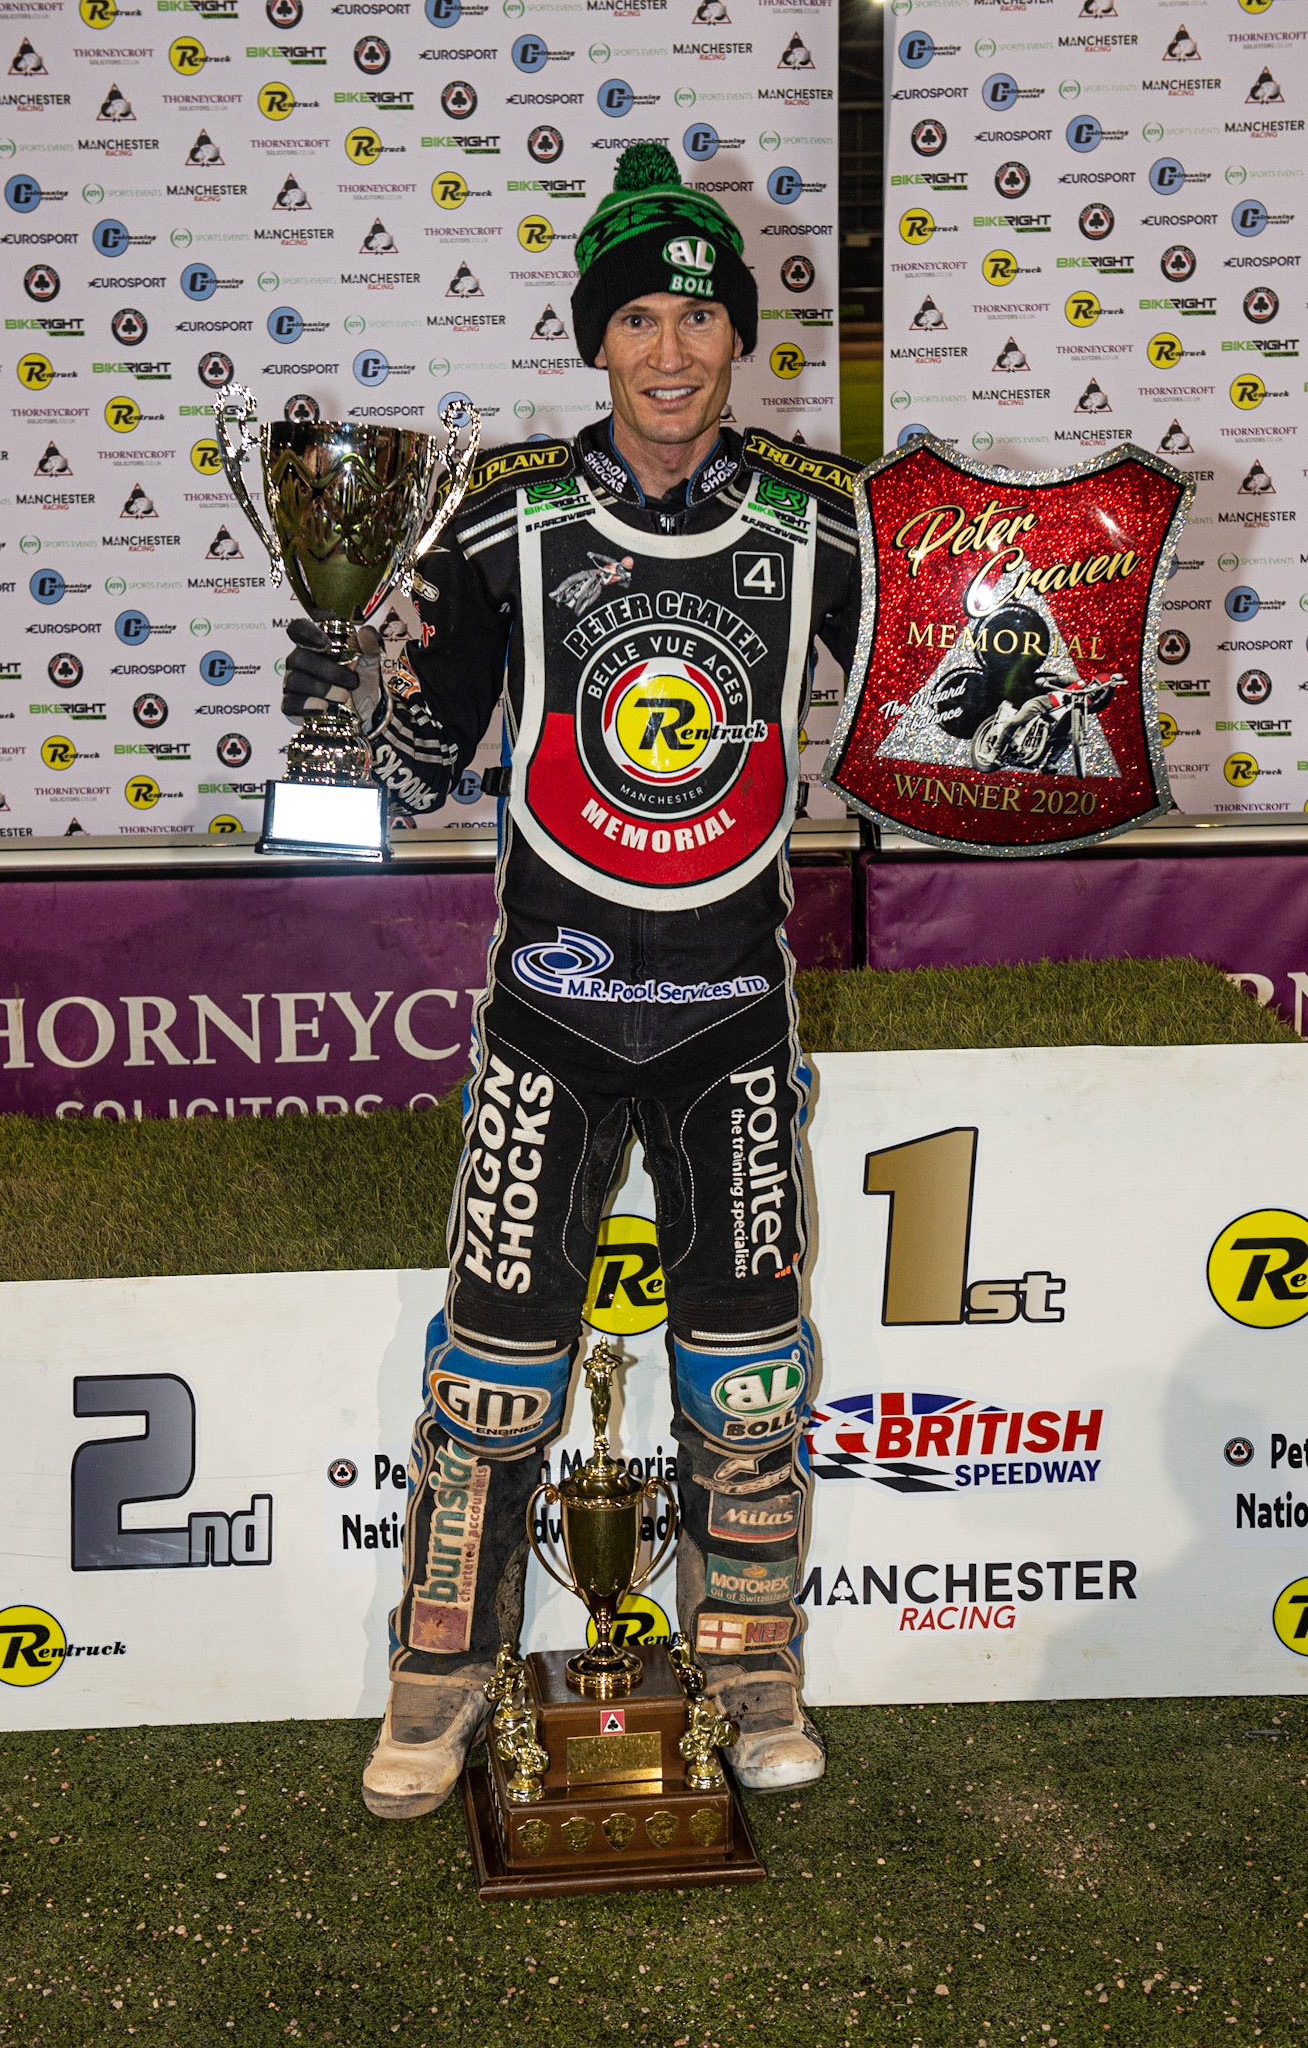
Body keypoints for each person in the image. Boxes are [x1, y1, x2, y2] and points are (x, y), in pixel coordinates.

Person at [282, 142, 862, 1819]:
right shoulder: (505, 514)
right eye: (638, 320)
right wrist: (338, 702)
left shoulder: (821, 516)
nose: (671, 351)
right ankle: (438, 1678)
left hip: (729, 1018)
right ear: (596, 339)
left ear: (737, 334)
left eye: (699, 316)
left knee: (750, 1369)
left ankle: (750, 1667)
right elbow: (406, 779)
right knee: (491, 1373)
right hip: (548, 1015)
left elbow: (932, 729)